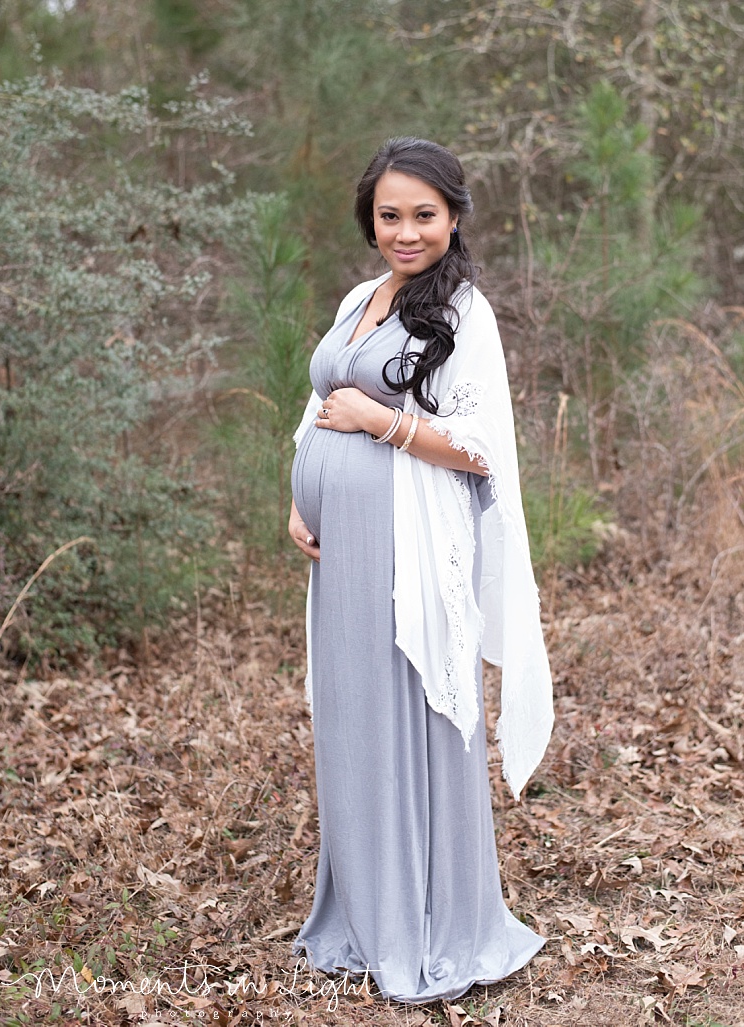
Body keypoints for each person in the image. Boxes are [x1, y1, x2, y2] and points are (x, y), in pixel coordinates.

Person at [288, 136, 553, 1004]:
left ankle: (430, 918)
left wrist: (383, 424)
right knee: (356, 714)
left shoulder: (464, 314)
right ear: (370, 218)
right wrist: (302, 493)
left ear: (453, 217)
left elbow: (480, 450)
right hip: (342, 550)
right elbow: (321, 402)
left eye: (423, 215)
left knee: (409, 715)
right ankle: (364, 910)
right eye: (390, 215)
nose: (406, 231)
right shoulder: (361, 297)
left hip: (406, 551)